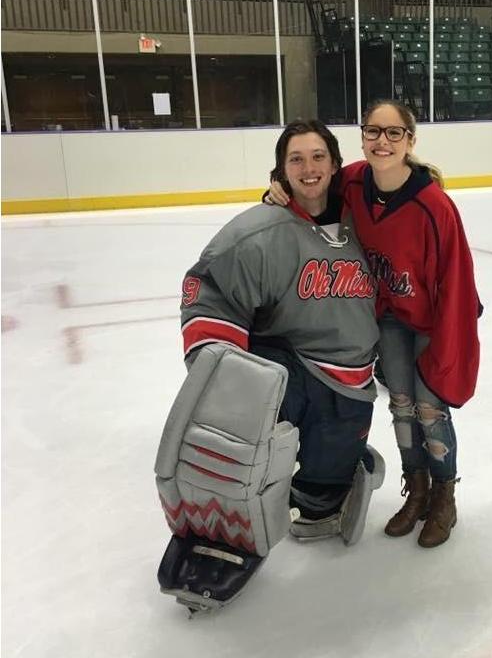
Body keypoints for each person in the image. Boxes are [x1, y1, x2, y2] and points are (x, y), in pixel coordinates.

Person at [154, 120, 384, 612]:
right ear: (281, 169)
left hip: (351, 380)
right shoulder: (260, 231)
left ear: (336, 164)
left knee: (320, 500)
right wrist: (226, 378)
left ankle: (330, 484)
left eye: (318, 156)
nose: (308, 168)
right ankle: (229, 520)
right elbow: (209, 295)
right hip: (291, 366)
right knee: (249, 432)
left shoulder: (365, 223)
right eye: (296, 159)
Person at [266, 101, 482, 548]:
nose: (382, 141)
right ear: (362, 138)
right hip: (387, 317)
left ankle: (444, 496)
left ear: (410, 140)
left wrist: (449, 345)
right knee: (400, 404)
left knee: (429, 409)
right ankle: (417, 490)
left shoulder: (433, 205)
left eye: (394, 133)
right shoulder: (354, 181)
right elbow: (312, 189)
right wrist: (275, 190)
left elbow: (457, 281)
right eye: (373, 132)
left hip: (430, 323)